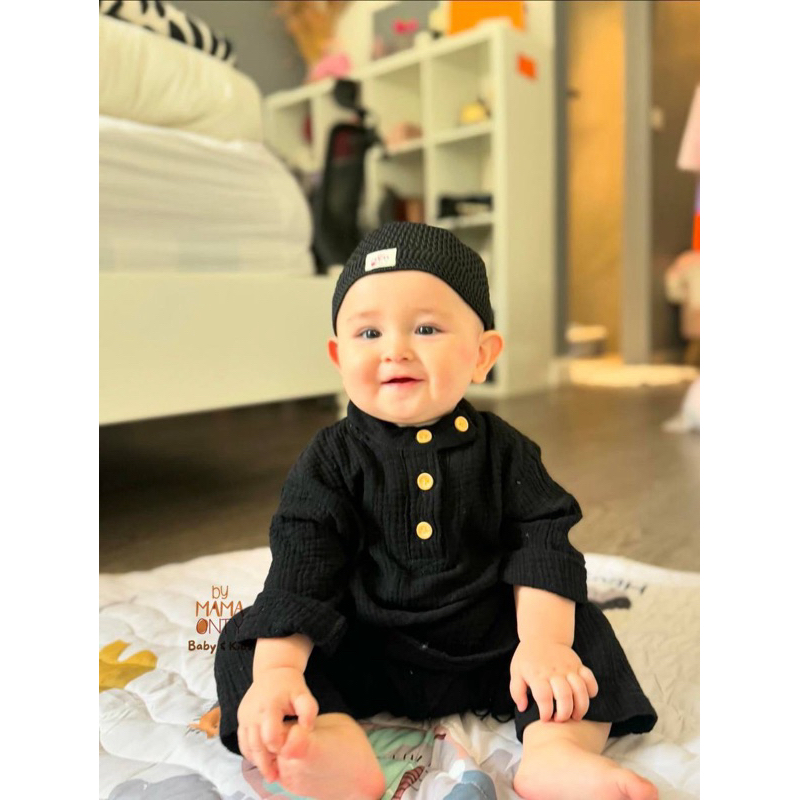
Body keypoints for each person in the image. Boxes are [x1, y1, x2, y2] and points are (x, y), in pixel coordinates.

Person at [214, 222, 658, 800]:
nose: (395, 349)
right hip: (366, 646)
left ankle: (556, 751)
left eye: (425, 328)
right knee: (248, 643)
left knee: (581, 630)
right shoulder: (330, 459)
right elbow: (303, 563)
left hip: (493, 649)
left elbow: (543, 542)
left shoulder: (505, 451)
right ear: (338, 357)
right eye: (369, 331)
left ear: (482, 355)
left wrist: (543, 643)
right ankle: (329, 743)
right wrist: (279, 672)